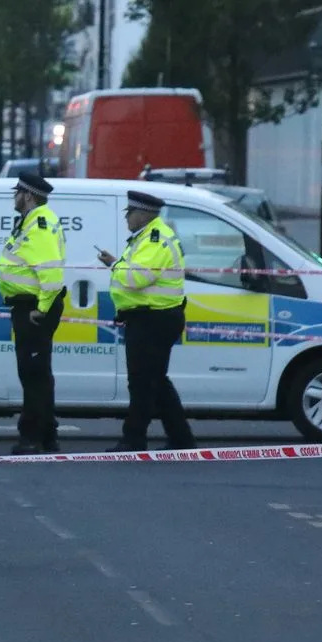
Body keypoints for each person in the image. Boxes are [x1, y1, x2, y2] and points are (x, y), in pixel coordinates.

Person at [96, 190, 196, 452]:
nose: (127, 218)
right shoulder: (146, 237)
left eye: (130, 213)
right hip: (151, 318)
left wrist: (114, 265)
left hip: (153, 319)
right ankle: (181, 438)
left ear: (143, 214)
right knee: (154, 381)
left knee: (142, 381)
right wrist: (116, 263)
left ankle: (134, 438)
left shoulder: (155, 239)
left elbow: (136, 279)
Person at [0, 172, 67, 455]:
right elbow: (26, 265)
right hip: (28, 304)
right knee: (37, 373)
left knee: (33, 374)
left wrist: (41, 310)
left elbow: (51, 274)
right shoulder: (30, 222)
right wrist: (0, 277)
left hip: (34, 308)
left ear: (28, 195)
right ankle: (47, 436)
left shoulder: (40, 225)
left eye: (17, 192)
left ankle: (31, 437)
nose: (14, 197)